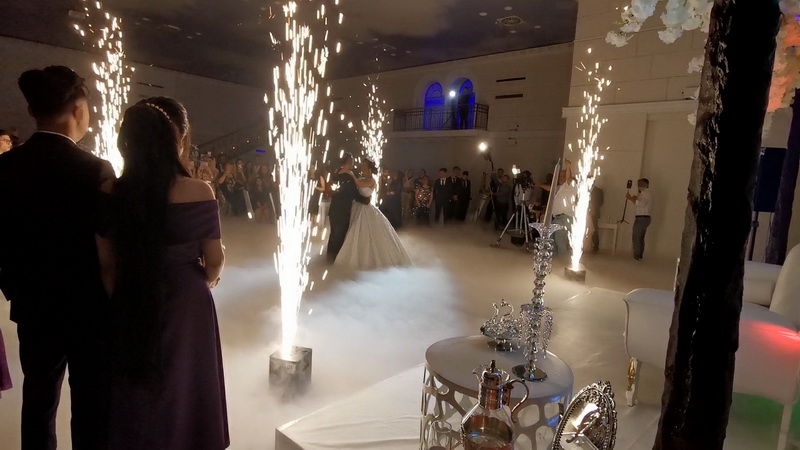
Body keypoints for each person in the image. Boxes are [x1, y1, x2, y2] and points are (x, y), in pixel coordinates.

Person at [95, 97, 229, 449]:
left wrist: (122, 296)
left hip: (131, 291)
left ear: (126, 143)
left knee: (136, 382)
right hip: (187, 300)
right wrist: (204, 280)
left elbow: (107, 263)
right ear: (176, 141)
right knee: (186, 381)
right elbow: (214, 259)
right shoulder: (198, 191)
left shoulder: (110, 191)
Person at [0, 65, 115, 450]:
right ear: (79, 111)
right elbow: (107, 246)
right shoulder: (95, 170)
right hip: (87, 306)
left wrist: (12, 284)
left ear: (32, 111)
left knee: (38, 400)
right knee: (90, 403)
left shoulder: (6, 166)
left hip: (33, 303)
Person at [335, 160, 412, 269]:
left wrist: (350, 173)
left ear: (369, 169)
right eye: (362, 167)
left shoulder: (372, 180)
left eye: (364, 167)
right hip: (356, 207)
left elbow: (359, 184)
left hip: (366, 208)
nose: (362, 169)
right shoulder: (361, 176)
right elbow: (356, 186)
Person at [326, 153, 370, 263]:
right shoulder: (347, 177)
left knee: (334, 235)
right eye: (350, 162)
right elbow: (353, 193)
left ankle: (329, 258)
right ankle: (334, 260)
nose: (352, 165)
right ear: (345, 163)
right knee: (339, 236)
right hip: (342, 211)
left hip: (334, 210)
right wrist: (366, 200)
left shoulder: (337, 174)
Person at [626, 178, 652, 261]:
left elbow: (641, 204)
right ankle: (639, 255)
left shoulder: (646, 193)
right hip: (644, 218)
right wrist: (634, 198)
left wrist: (631, 198)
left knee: (636, 237)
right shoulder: (643, 194)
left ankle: (637, 256)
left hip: (642, 218)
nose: (639, 186)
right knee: (640, 238)